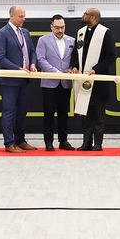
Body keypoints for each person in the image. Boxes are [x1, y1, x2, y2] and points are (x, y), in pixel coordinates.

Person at [71, 8, 116, 151]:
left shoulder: (105, 33)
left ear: (93, 18)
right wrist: (75, 66)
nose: (82, 16)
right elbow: (75, 53)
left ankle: (98, 143)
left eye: (85, 14)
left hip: (98, 81)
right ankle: (86, 142)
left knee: (98, 115)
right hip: (83, 80)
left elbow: (111, 56)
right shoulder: (80, 32)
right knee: (85, 114)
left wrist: (96, 68)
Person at [0, 5, 38, 153]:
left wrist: (32, 63)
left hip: (24, 80)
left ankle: (20, 140)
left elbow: (32, 51)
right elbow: (0, 58)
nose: (23, 19)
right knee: (9, 111)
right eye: (21, 16)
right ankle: (9, 143)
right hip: (9, 81)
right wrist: (17, 69)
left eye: (24, 16)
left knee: (22, 112)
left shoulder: (25, 32)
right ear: (12, 16)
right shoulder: (1, 33)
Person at [35, 14, 76, 151]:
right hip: (49, 83)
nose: (60, 30)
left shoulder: (72, 40)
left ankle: (63, 141)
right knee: (49, 113)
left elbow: (73, 60)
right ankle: (48, 142)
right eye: (57, 27)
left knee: (64, 113)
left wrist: (71, 69)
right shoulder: (43, 40)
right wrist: (55, 72)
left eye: (62, 27)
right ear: (51, 27)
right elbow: (40, 59)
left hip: (66, 82)